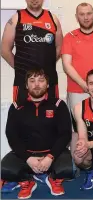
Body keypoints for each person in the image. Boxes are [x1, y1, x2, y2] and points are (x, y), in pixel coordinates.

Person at [1, 68, 73, 199]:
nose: (37, 84)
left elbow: (65, 134)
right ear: (26, 85)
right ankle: (27, 181)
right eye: (32, 81)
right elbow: (11, 135)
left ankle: (53, 178)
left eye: (41, 80)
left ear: (48, 84)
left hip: (52, 154)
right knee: (4, 170)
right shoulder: (17, 106)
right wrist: (28, 158)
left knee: (68, 169)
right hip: (27, 155)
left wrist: (50, 157)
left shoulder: (58, 104)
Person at [1, 0, 63, 104]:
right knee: (22, 119)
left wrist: (48, 64)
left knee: (50, 118)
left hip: (49, 80)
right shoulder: (16, 18)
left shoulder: (53, 19)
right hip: (23, 81)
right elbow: (4, 50)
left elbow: (59, 48)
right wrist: (20, 67)